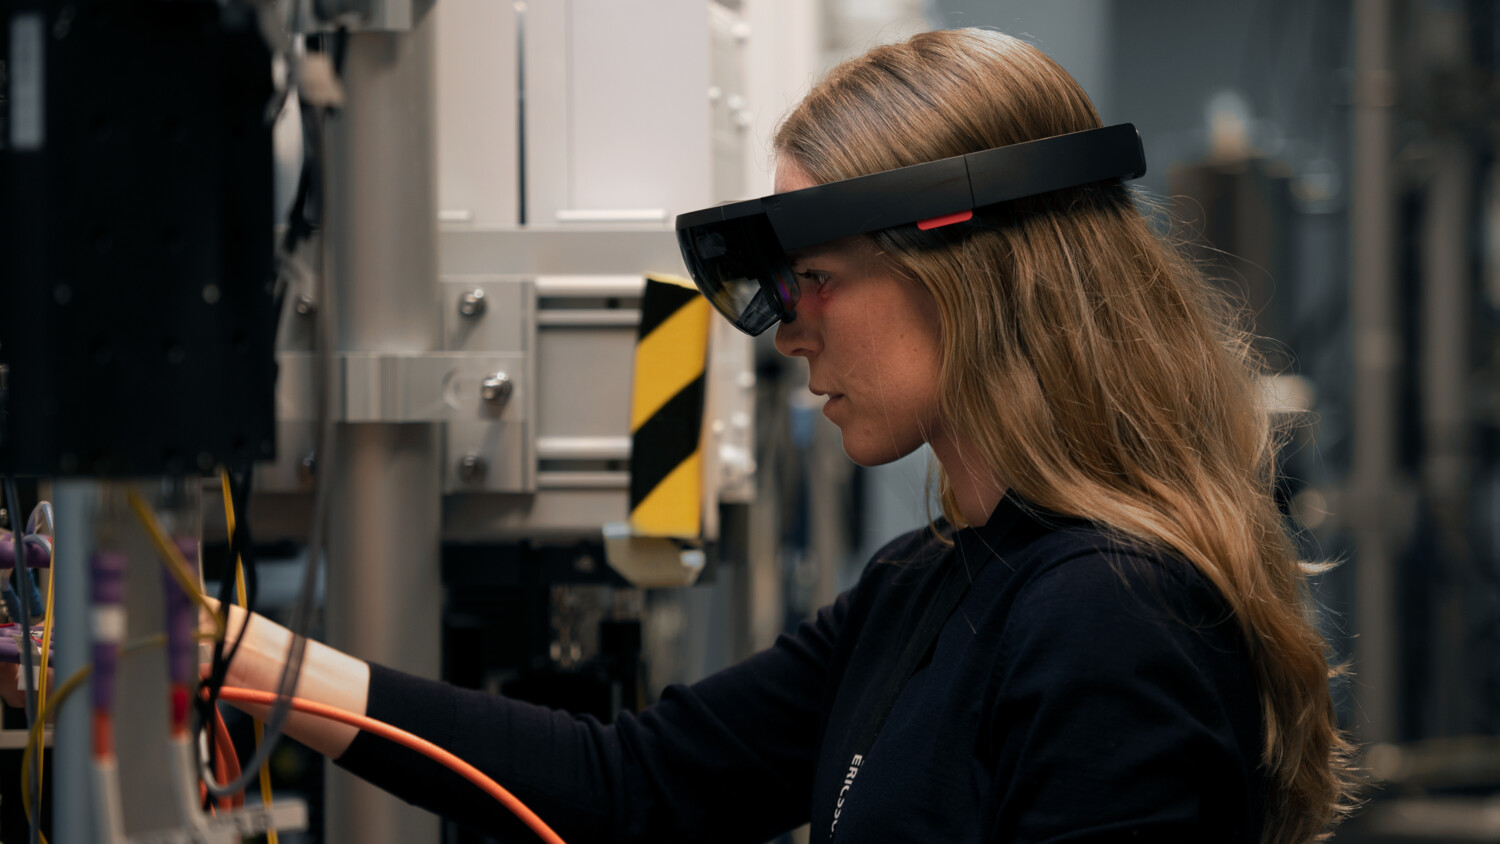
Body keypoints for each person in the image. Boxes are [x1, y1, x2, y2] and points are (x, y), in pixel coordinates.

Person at [4, 27, 1357, 843]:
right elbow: (629, 788)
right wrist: (235, 656)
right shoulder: (932, 588)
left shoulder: (1110, 622)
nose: (786, 331)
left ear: (965, 263)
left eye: (812, 277)